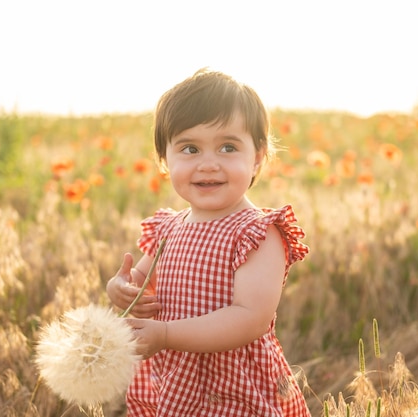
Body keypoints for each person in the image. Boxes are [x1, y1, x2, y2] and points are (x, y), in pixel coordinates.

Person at [106, 68, 310, 416]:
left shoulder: (258, 232)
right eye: (190, 149)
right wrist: (122, 288)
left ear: (258, 156)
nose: (209, 164)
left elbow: (251, 317)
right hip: (177, 378)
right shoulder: (168, 229)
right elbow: (143, 283)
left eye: (228, 147)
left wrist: (167, 334)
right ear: (164, 160)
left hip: (233, 386)